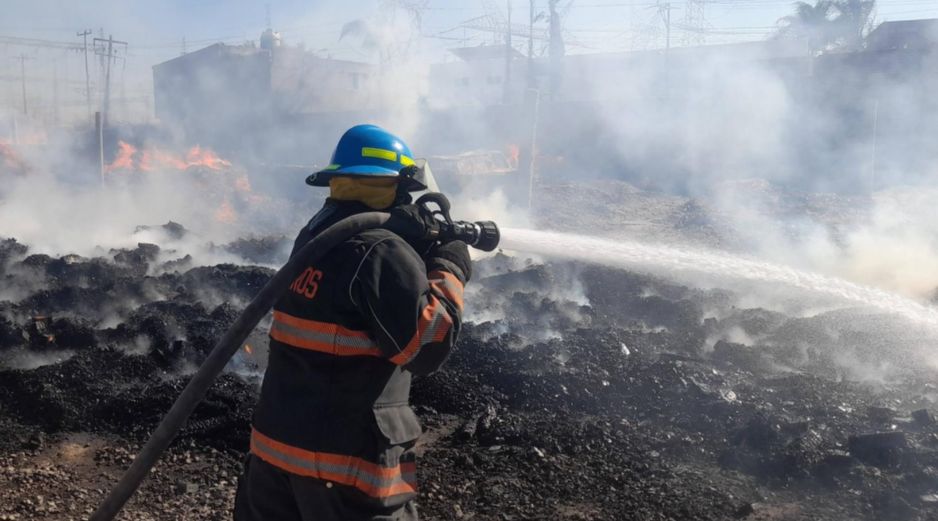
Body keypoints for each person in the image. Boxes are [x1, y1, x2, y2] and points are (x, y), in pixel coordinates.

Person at [234, 124, 471, 521]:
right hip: (342, 470)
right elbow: (427, 346)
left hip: (274, 456)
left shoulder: (316, 237)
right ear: (398, 187)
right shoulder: (381, 252)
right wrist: (448, 267)